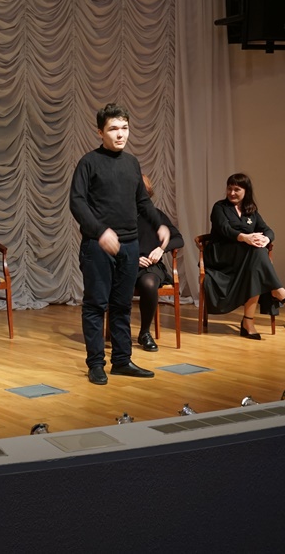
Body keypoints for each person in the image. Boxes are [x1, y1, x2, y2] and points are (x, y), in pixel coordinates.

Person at [70, 103, 170, 385]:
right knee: (95, 305)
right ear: (100, 132)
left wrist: (159, 224)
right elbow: (77, 202)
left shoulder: (131, 163)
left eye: (124, 128)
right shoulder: (89, 162)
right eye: (113, 128)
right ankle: (96, 364)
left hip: (129, 245)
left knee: (122, 306)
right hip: (98, 246)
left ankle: (122, 361)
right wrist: (100, 231)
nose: (120, 134)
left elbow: (142, 201)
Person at [203, 173, 285, 340]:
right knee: (257, 253)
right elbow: (224, 229)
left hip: (245, 258)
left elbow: (268, 230)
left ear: (246, 191)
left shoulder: (251, 211)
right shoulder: (220, 207)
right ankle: (276, 290)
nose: (232, 193)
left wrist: (266, 239)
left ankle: (248, 322)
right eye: (229, 189)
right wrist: (245, 237)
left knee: (256, 262)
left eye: (236, 189)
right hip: (222, 256)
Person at [134, 174, 183, 352]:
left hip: (151, 267)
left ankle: (144, 333)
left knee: (149, 283)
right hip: (126, 265)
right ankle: (118, 333)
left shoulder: (156, 215)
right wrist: (133, 258)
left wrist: (162, 249)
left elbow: (178, 239)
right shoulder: (119, 217)